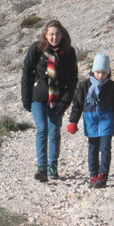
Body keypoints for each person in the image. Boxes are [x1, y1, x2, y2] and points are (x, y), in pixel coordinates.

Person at [20, 20, 78, 182]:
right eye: (51, 34)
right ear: (46, 35)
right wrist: (26, 98)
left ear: (62, 35)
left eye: (57, 34)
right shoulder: (37, 49)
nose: (54, 38)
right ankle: (42, 168)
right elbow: (26, 73)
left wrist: (65, 102)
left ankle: (53, 166)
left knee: (54, 131)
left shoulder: (69, 52)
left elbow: (73, 80)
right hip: (38, 97)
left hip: (57, 99)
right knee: (42, 129)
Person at [66, 53, 114, 188]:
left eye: (104, 73)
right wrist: (73, 122)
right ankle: (93, 175)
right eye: (98, 72)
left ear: (108, 72)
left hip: (107, 120)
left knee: (105, 148)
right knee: (93, 148)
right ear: (93, 71)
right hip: (91, 120)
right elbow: (77, 105)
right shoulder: (84, 86)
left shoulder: (113, 87)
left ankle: (103, 175)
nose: (100, 76)